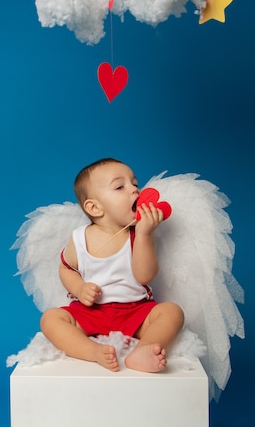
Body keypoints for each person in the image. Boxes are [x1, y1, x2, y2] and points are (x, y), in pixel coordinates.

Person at [40, 157, 184, 373]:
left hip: (135, 311)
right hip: (91, 313)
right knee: (50, 319)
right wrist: (79, 288)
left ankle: (143, 350)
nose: (135, 190)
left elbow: (144, 276)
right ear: (95, 207)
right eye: (120, 186)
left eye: (135, 184)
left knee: (172, 312)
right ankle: (92, 351)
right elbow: (66, 269)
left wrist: (145, 235)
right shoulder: (79, 238)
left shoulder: (139, 235)